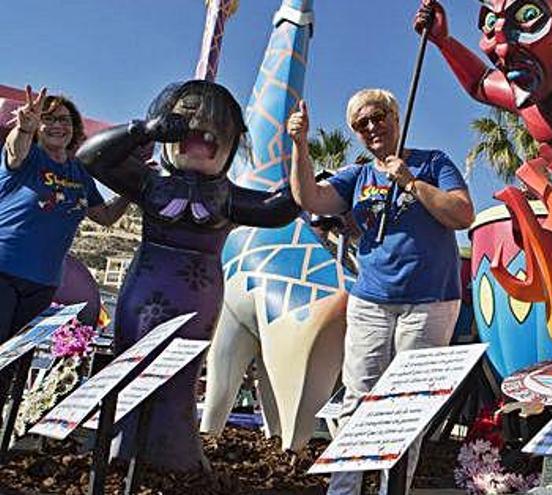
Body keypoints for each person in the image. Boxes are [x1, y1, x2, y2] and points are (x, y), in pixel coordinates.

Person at [77, 80, 301, 470]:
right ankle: (117, 446)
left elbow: (281, 207)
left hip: (197, 301)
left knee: (180, 374)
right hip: (143, 292)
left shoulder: (228, 198)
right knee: (129, 364)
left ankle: (172, 450)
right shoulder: (150, 183)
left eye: (215, 127)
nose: (199, 129)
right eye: (186, 120)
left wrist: (305, 161)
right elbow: (90, 157)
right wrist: (143, 130)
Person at [287, 88, 474, 495]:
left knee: (408, 403)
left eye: (377, 117)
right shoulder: (357, 175)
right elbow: (311, 198)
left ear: (394, 116)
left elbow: (462, 214)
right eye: (361, 124)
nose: (371, 127)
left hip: (431, 301)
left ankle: (395, 489)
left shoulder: (433, 162)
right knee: (358, 398)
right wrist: (300, 148)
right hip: (371, 299)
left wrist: (411, 183)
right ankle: (344, 489)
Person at [0, 86, 129, 343]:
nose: (57, 125)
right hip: (3, 272)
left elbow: (104, 216)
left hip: (44, 284)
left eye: (64, 120)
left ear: (74, 129)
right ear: (38, 125)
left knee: (15, 362)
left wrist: (132, 189)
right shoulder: (28, 156)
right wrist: (24, 129)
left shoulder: (79, 173)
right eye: (48, 119)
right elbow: (15, 150)